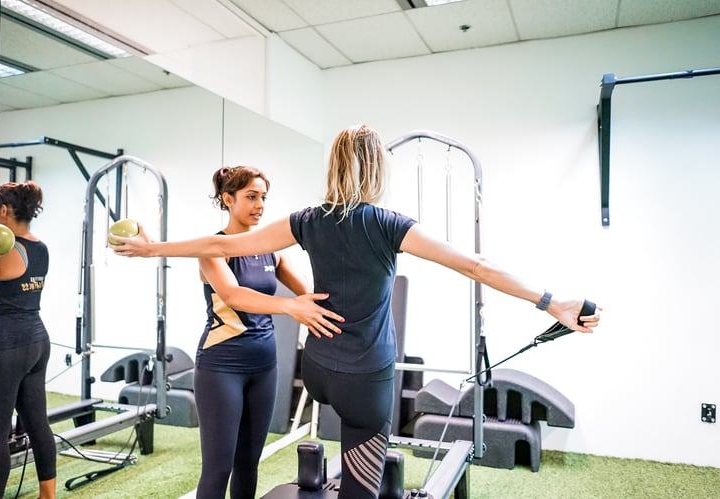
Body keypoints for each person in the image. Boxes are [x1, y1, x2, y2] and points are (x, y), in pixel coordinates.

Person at [111, 125, 602, 499]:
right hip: (366, 381)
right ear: (377, 170)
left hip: (320, 372)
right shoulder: (390, 225)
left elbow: (225, 242)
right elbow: (475, 265)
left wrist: (153, 249)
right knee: (359, 484)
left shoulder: (306, 220)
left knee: (291, 448)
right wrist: (550, 301)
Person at [191, 166, 343, 499]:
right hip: (221, 368)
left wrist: (339, 307)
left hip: (264, 367)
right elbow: (233, 295)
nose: (259, 205)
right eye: (251, 197)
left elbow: (308, 292)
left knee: (248, 463)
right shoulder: (213, 249)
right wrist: (290, 308)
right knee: (218, 468)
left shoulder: (270, 250)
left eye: (263, 197)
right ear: (227, 199)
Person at [0, 180, 57, 499]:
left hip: (7, 343)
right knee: (37, 423)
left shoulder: (0, 251)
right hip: (37, 338)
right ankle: (48, 495)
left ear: (3, 210)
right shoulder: (40, 246)